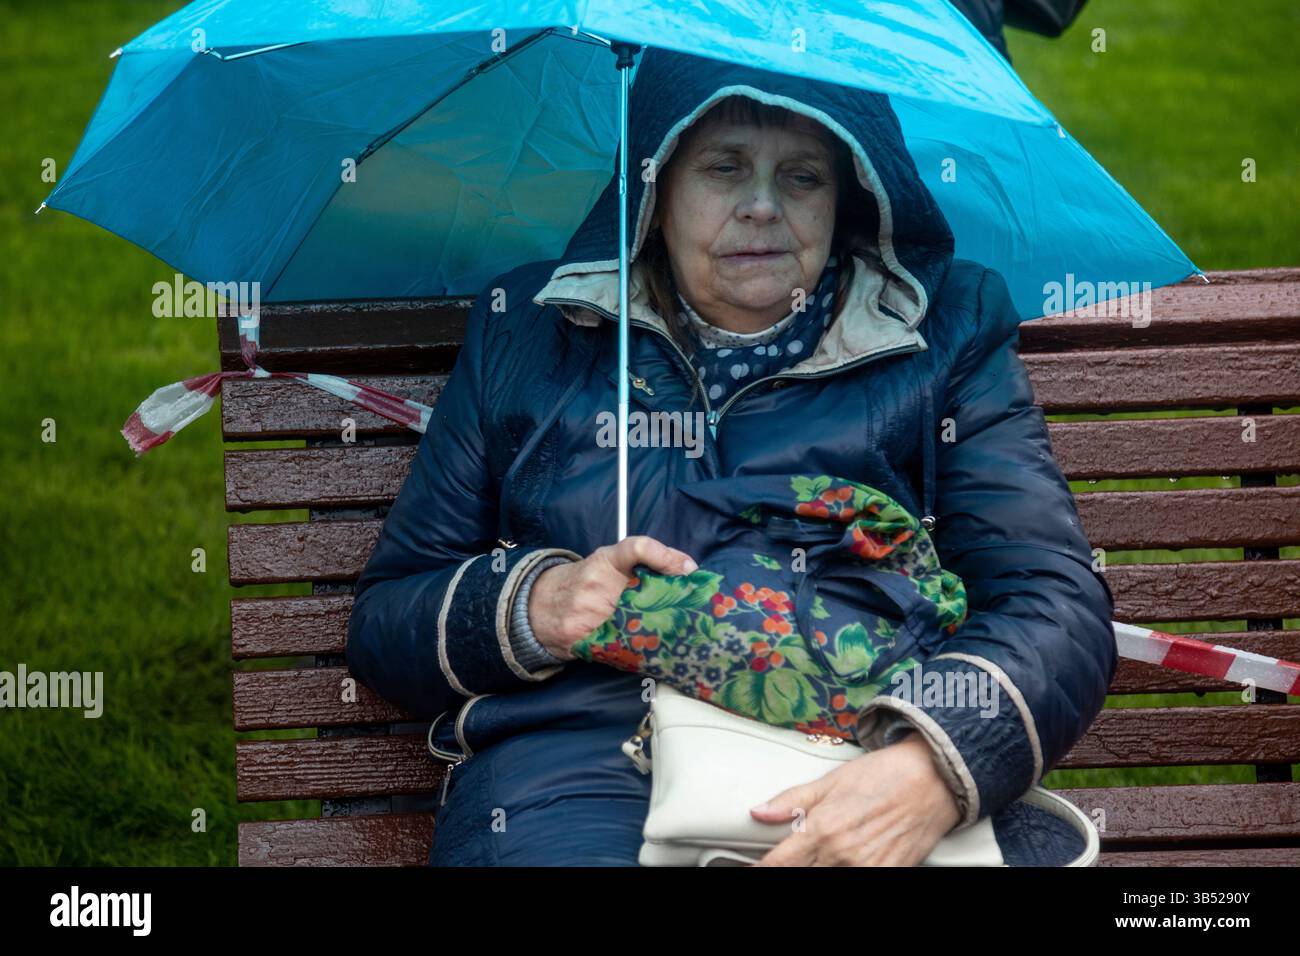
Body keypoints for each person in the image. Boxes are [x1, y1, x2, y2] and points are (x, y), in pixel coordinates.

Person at [345, 47, 1116, 867]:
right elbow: (388, 617)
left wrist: (928, 767)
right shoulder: (530, 330)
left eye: (802, 177)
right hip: (576, 768)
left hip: (853, 748)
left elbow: (1051, 598)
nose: (761, 207)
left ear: (847, 196)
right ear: (654, 188)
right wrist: (535, 603)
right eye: (724, 167)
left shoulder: (945, 330)